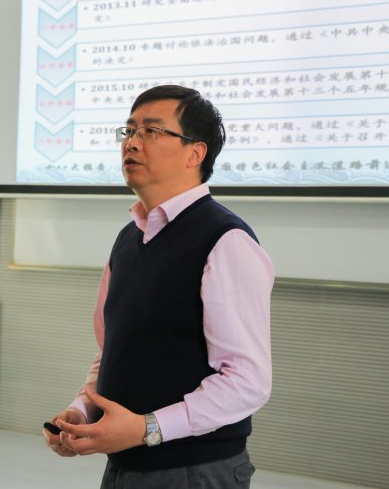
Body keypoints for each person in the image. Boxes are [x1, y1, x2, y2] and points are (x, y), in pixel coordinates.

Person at [43, 85, 274, 489]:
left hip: (193, 471)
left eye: (151, 131)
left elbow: (247, 381)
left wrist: (148, 428)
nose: (132, 142)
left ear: (195, 153)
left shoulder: (225, 240)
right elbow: (114, 350)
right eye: (129, 130)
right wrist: (83, 410)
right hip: (125, 464)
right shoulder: (128, 238)